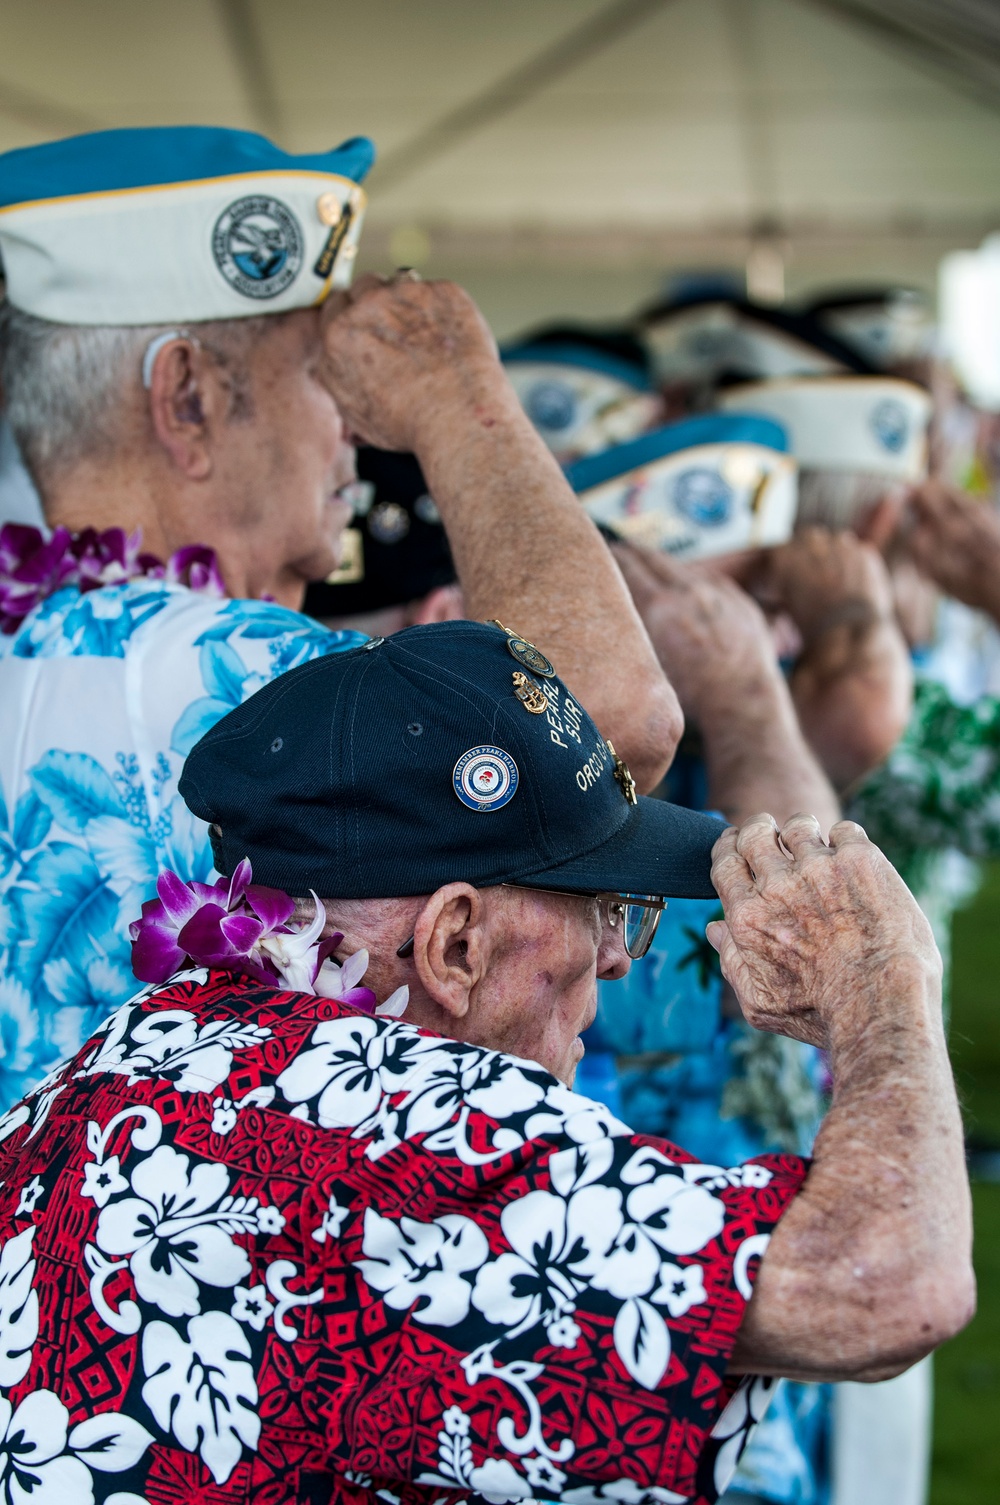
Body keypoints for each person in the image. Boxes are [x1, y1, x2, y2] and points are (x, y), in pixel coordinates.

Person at [0, 620, 973, 1505]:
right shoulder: (383, 1123)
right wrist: (883, 979)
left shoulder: (148, 1039)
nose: (618, 954)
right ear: (454, 944)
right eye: (600, 904)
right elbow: (880, 1280)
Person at [0, 124, 676, 1109]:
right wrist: (455, 395)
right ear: (187, 401)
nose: (359, 430)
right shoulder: (220, 675)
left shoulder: (35, 636)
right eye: (329, 378)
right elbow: (603, 732)